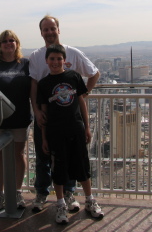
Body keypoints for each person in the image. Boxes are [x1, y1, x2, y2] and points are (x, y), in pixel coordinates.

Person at [29, 14, 100, 212]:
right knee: (44, 156)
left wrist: (81, 98)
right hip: (45, 115)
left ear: (58, 30)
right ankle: (42, 193)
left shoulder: (73, 53)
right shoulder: (36, 56)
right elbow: (34, 84)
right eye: (46, 29)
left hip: (69, 118)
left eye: (53, 28)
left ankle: (69, 194)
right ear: (41, 32)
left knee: (70, 156)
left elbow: (94, 73)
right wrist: (36, 110)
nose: (49, 32)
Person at [37, 44, 104, 224]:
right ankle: (60, 205)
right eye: (52, 59)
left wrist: (87, 127)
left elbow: (82, 103)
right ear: (46, 61)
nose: (55, 62)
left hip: (76, 129)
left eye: (59, 59)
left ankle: (89, 201)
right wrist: (44, 138)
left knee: (82, 166)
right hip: (55, 132)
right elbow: (44, 114)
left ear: (65, 61)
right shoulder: (43, 84)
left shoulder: (74, 77)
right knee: (58, 169)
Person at [0, 30, 32, 211]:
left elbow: (34, 88)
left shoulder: (25, 64)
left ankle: (17, 192)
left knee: (19, 155)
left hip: (20, 117)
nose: (8, 44)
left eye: (12, 40)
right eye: (4, 41)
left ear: (17, 43)